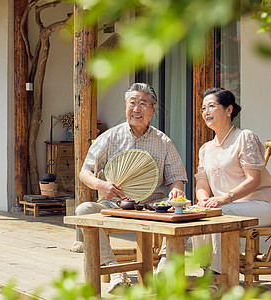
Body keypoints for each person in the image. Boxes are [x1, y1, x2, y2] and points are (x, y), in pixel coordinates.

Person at [76, 82, 188, 292]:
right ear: (126, 106)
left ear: (153, 109)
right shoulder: (110, 137)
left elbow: (177, 178)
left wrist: (176, 189)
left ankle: (163, 268)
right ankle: (114, 270)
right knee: (84, 210)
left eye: (143, 104)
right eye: (132, 103)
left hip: (154, 206)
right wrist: (100, 184)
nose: (136, 109)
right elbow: (85, 172)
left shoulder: (162, 141)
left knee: (185, 213)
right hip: (115, 203)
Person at [193, 87, 271, 274]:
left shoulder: (244, 137)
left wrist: (224, 198)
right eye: (202, 108)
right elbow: (202, 182)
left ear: (228, 109)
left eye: (211, 106)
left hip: (262, 205)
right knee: (197, 211)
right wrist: (202, 198)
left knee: (219, 213)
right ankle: (205, 268)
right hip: (229, 207)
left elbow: (254, 180)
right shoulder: (206, 148)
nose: (205, 112)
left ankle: (219, 275)